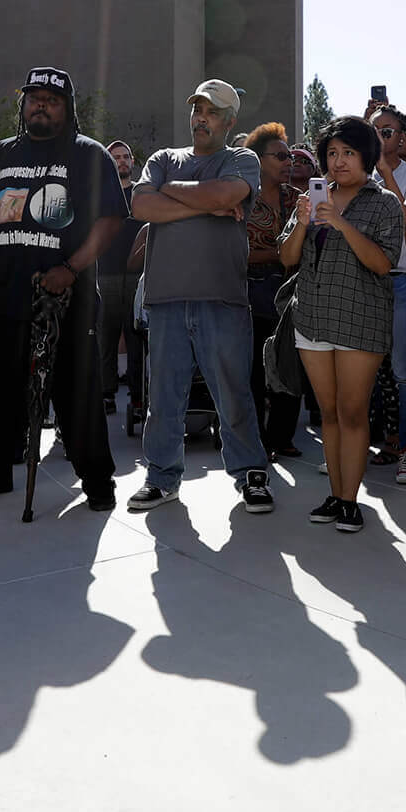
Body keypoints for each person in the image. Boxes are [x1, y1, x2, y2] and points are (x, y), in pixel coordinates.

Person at [0, 66, 124, 509]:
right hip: (5, 294)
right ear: (23, 104)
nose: (41, 104)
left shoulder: (89, 155)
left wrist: (71, 267)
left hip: (68, 297)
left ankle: (98, 483)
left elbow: (109, 220)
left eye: (51, 98)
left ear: (67, 108)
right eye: (34, 97)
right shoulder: (0, 155)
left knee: (76, 391)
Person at [127, 79, 276, 514]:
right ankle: (161, 478)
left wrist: (175, 191)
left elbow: (227, 194)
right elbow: (141, 206)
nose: (200, 118)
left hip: (222, 298)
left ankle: (250, 474)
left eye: (211, 112)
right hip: (167, 298)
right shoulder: (163, 158)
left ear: (229, 121)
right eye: (197, 110)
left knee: (233, 393)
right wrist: (205, 204)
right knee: (164, 397)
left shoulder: (242, 158)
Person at [279, 116, 402, 532]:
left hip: (360, 319)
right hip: (312, 317)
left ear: (366, 155)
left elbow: (383, 264)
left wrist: (340, 224)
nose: (338, 162)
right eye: (332, 153)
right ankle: (335, 494)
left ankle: (352, 500)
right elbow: (287, 258)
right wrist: (301, 221)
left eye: (348, 152)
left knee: (352, 413)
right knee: (328, 413)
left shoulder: (383, 202)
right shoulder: (313, 198)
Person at [369, 104, 406, 484]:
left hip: (400, 280)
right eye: (374, 132)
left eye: (387, 132)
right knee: (364, 369)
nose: (380, 139)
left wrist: (386, 172)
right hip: (361, 282)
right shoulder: (355, 173)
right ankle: (361, 445)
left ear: (403, 137)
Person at [245, 122, 303, 457]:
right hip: (249, 293)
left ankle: (282, 436)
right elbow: (232, 253)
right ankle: (257, 441)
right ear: (258, 158)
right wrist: (276, 254)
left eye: (291, 156)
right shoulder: (242, 197)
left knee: (289, 364)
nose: (288, 162)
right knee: (252, 369)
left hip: (291, 292)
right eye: (280, 156)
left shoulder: (297, 199)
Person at [96, 139, 144, 423]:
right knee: (106, 337)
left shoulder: (143, 194)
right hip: (107, 274)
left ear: (133, 161)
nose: (122, 161)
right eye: (116, 157)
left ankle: (138, 397)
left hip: (138, 276)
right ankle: (106, 394)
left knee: (137, 337)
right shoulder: (101, 194)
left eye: (126, 156)